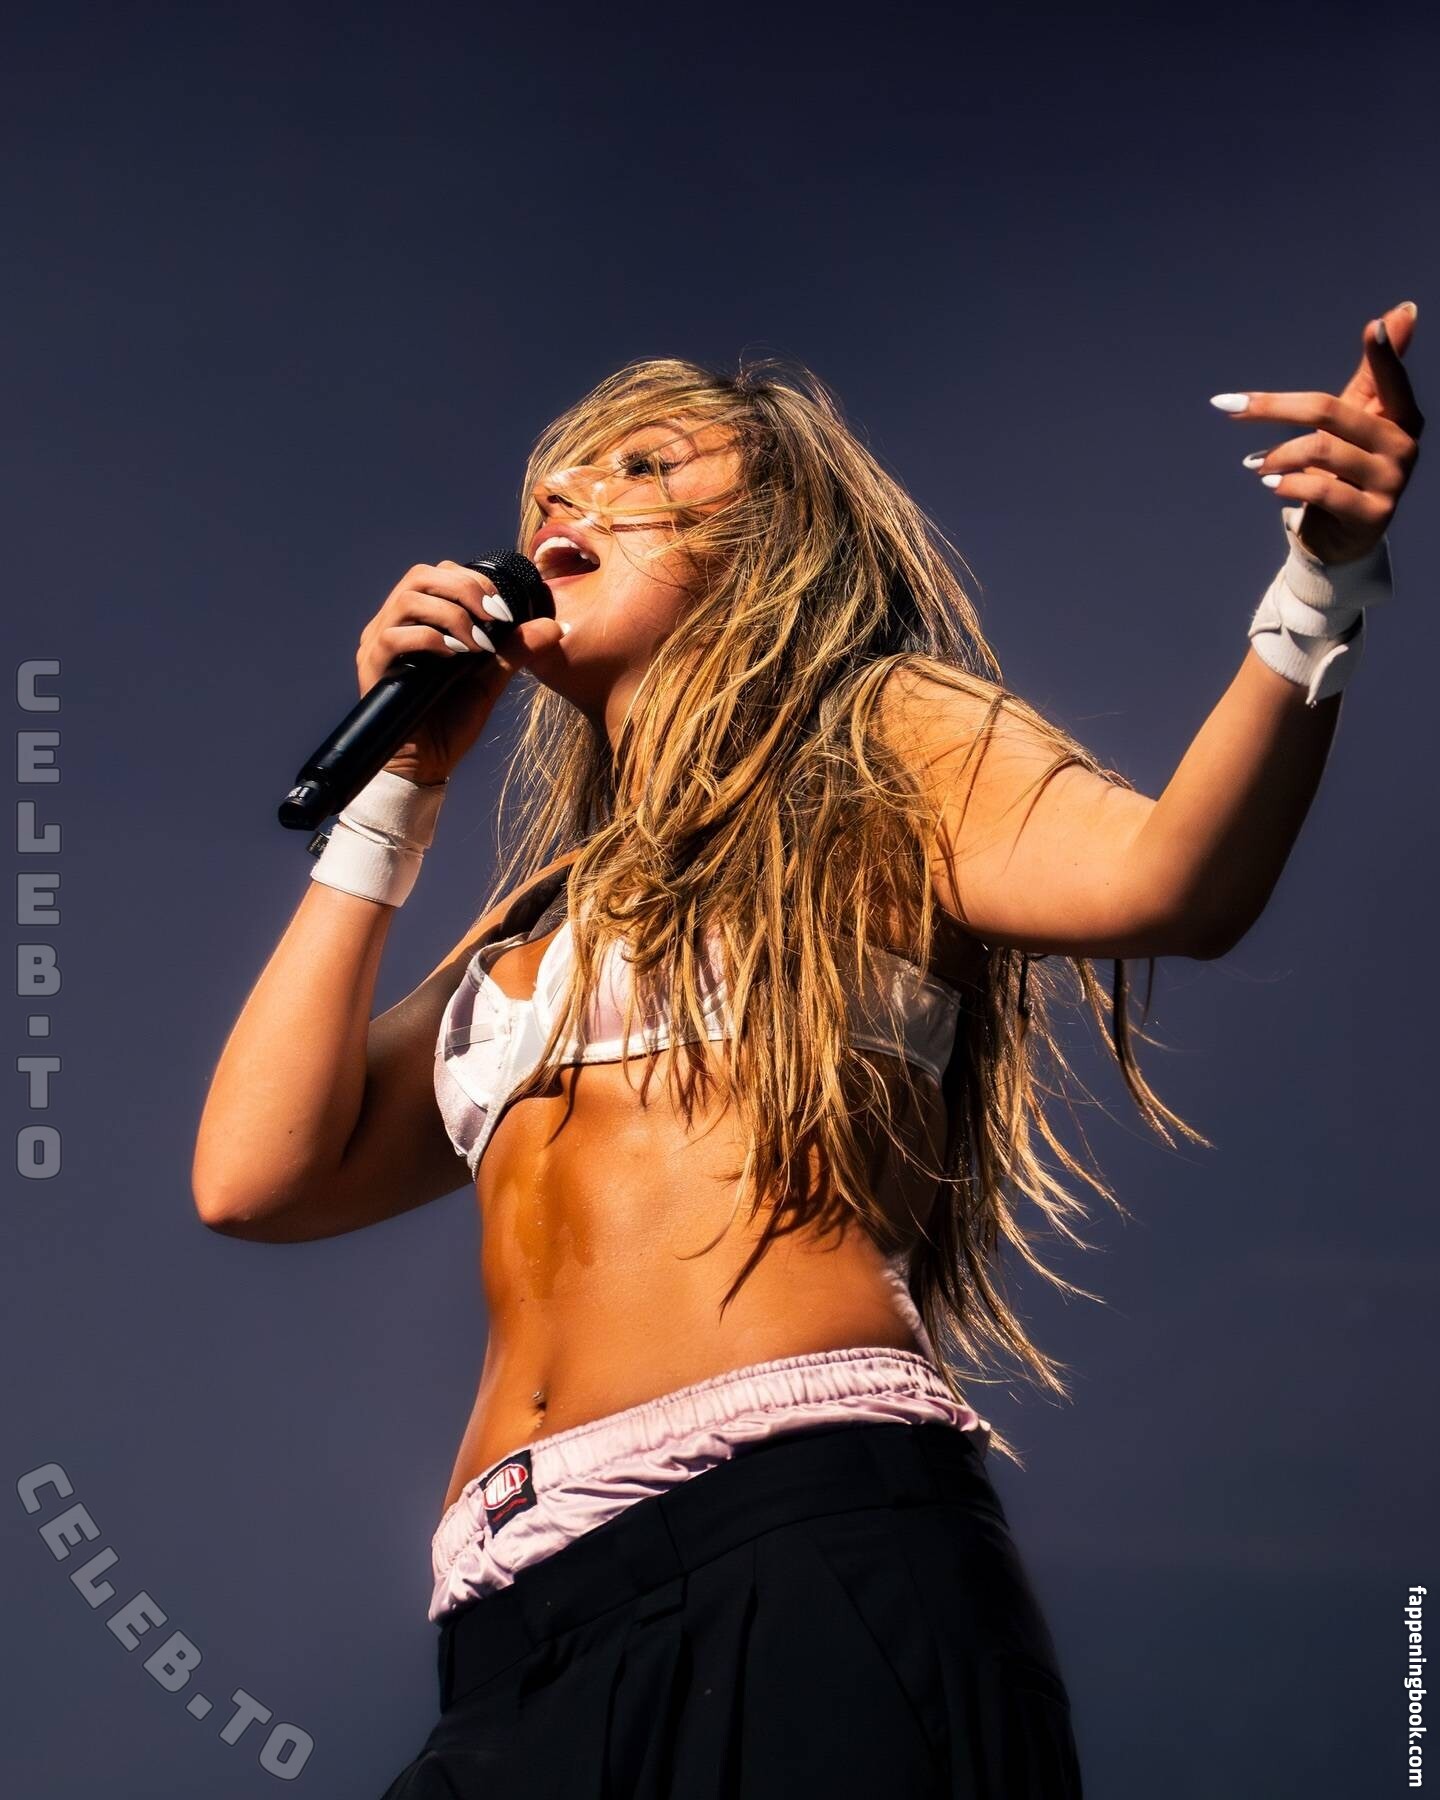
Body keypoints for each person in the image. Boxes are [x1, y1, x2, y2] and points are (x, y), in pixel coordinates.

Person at [191, 308, 1422, 1798]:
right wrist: (396, 790)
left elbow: (1175, 881)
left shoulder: (880, 741)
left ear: (769, 545)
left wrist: (1320, 584)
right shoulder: (536, 921)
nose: (566, 499)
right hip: (515, 1626)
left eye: (644, 467)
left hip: (794, 1535)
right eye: (552, 485)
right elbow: (257, 1176)